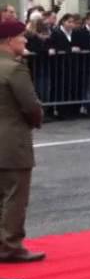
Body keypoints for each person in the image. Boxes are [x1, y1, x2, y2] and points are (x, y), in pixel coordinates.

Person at [0, 19, 45, 263]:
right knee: (15, 195)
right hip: (12, 140)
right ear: (8, 41)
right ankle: (11, 245)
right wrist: (37, 120)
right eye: (21, 37)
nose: (25, 40)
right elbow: (30, 106)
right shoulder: (15, 69)